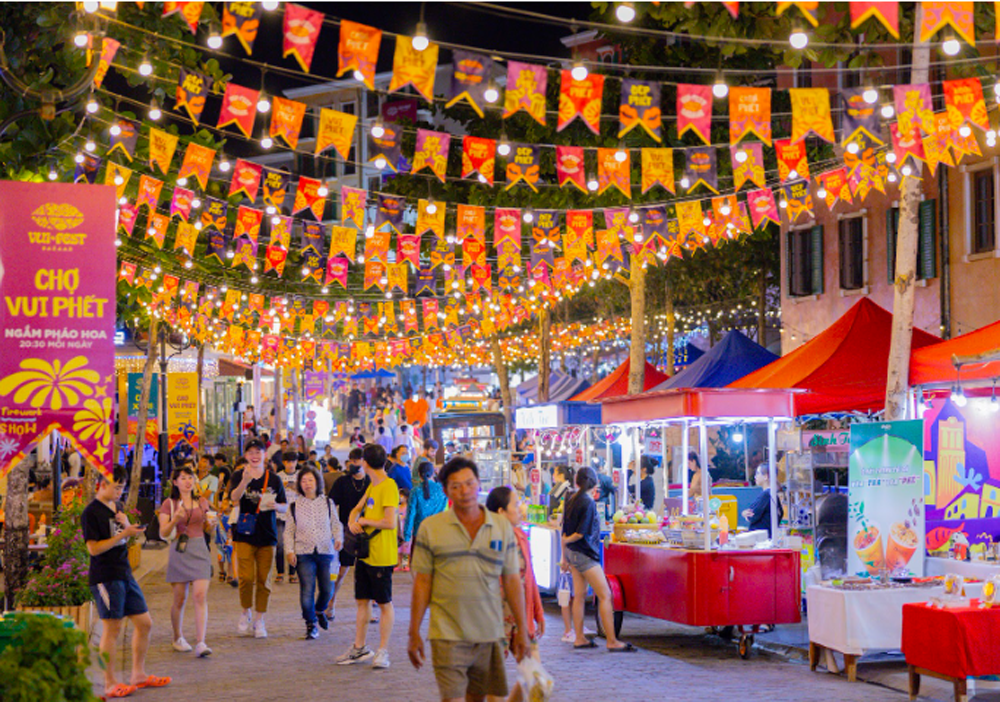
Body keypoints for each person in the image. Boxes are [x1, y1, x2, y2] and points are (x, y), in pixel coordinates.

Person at [408, 458, 528, 701]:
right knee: (451, 697)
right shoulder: (431, 528)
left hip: (489, 631)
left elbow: (513, 581)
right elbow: (422, 582)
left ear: (479, 484)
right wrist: (413, 631)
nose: (464, 491)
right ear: (446, 491)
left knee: (478, 698)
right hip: (446, 632)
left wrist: (523, 629)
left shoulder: (501, 527)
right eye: (456, 486)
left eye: (469, 484)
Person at [82, 465, 171, 698]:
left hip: (124, 573)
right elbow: (93, 549)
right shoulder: (91, 512)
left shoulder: (118, 507)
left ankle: (138, 675)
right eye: (117, 487)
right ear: (102, 484)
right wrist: (123, 533)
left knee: (144, 623)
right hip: (105, 576)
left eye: (123, 487)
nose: (120, 491)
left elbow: (127, 538)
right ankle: (109, 683)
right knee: (113, 627)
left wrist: (126, 524)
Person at [337, 443, 399, 669]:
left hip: (382, 554)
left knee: (384, 603)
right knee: (362, 601)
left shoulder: (389, 486)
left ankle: (383, 651)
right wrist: (353, 521)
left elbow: (390, 522)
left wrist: (363, 521)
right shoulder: (373, 485)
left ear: (365, 462)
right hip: (365, 554)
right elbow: (356, 508)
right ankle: (359, 648)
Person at [561, 467, 635, 652]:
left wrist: (565, 550)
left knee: (578, 595)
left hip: (574, 553)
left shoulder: (571, 499)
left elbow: (564, 528)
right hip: (585, 554)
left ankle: (579, 638)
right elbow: (580, 532)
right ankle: (611, 640)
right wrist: (568, 539)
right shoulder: (587, 502)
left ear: (577, 482)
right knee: (605, 595)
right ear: (594, 483)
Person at [486, 486, 546, 702]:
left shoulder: (521, 535)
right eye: (515, 504)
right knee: (496, 685)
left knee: (536, 678)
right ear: (501, 512)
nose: (521, 508)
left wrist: (538, 612)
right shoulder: (489, 539)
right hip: (495, 620)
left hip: (521, 617)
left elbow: (530, 577)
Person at [228, 438, 287, 639]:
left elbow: (284, 505)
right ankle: (245, 611)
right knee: (246, 577)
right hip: (244, 533)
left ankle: (259, 619)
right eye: (251, 452)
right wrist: (244, 481)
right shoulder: (238, 475)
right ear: (246, 455)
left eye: (258, 452)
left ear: (264, 455)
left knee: (264, 579)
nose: (254, 455)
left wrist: (277, 507)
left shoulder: (274, 479)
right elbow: (233, 499)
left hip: (268, 534)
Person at [158, 464, 215, 657]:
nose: (187, 481)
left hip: (199, 549)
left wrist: (212, 525)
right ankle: (177, 637)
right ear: (175, 482)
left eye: (190, 477)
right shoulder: (169, 503)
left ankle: (201, 642)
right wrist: (175, 519)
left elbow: (208, 530)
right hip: (179, 550)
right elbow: (163, 532)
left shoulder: (202, 501)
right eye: (182, 478)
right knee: (179, 598)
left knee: (200, 596)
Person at [285, 464, 343, 640]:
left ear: (317, 482)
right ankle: (310, 624)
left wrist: (338, 537)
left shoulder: (327, 502)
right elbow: (288, 531)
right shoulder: (294, 506)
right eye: (303, 480)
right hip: (303, 552)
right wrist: (289, 551)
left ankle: (319, 610)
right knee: (307, 589)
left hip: (325, 550)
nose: (307, 483)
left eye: (310, 480)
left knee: (327, 589)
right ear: (299, 484)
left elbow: (335, 524)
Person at [326, 447, 370, 620]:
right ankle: (331, 602)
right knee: (342, 570)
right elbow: (330, 504)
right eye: (352, 460)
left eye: (357, 460)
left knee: (368, 570)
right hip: (346, 532)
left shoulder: (371, 482)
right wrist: (334, 528)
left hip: (368, 533)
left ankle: (370, 607)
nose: (354, 464)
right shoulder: (342, 481)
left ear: (364, 463)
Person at [403, 459, 447, 549]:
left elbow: (410, 514)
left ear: (419, 474)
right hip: (438, 533)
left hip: (419, 534)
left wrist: (407, 537)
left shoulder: (415, 491)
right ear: (433, 473)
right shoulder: (443, 490)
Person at [275, 451, 299, 584]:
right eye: (288, 462)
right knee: (279, 544)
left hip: (296, 515)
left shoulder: (301, 476)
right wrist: (282, 487)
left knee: (294, 545)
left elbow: (306, 493)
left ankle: (292, 572)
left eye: (293, 461)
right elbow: (272, 494)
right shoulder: (278, 477)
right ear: (284, 463)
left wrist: (295, 487)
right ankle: (280, 572)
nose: (291, 464)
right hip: (280, 514)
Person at [742, 464, 784, 538]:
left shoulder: (766, 495)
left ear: (766, 476)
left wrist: (745, 514)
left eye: (758, 473)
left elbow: (752, 516)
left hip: (761, 540)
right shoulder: (773, 494)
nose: (755, 477)